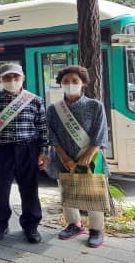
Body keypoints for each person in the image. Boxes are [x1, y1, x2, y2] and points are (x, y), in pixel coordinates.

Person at [0, 63, 49, 244]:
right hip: (1, 151)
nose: (12, 81)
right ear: (0, 80)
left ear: (23, 78)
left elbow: (42, 128)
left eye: (16, 77)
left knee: (30, 190)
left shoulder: (34, 100)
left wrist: (43, 151)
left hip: (28, 149)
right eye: (7, 78)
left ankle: (30, 226)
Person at [46, 65, 109, 248]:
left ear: (83, 83)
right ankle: (74, 225)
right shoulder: (53, 109)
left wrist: (88, 155)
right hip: (64, 159)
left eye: (75, 81)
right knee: (68, 190)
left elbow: (101, 134)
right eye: (66, 81)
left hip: (90, 158)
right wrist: (64, 157)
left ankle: (97, 229)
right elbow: (52, 136)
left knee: (93, 193)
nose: (70, 84)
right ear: (60, 84)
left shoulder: (94, 106)